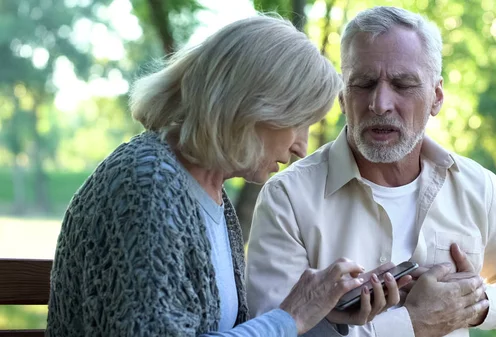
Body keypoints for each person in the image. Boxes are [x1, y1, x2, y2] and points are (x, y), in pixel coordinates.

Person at [45, 15, 401, 337]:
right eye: (299, 123)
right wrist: (291, 316)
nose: (301, 148)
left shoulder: (209, 192)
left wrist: (324, 313)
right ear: (252, 107)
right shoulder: (148, 187)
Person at [246, 6, 496, 337]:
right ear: (343, 97)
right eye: (363, 83)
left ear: (436, 97)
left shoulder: (477, 186)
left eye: (403, 84)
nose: (380, 103)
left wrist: (472, 305)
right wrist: (414, 322)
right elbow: (272, 328)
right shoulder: (287, 196)